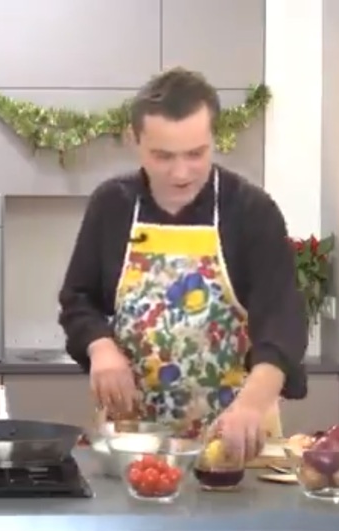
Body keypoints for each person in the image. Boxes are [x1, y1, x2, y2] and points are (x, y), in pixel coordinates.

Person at [58, 67, 308, 459]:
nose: (181, 173)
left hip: (234, 442)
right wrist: (100, 346)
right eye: (162, 156)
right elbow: (78, 299)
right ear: (134, 140)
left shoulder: (251, 210)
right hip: (133, 440)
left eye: (196, 154)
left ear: (214, 140)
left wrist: (252, 405)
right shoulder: (112, 205)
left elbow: (283, 322)